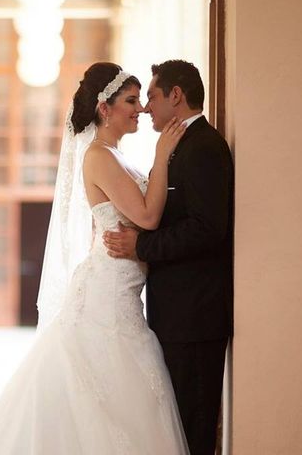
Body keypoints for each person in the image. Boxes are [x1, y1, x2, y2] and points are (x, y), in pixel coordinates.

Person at [0, 62, 189, 454]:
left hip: (122, 291)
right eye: (131, 101)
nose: (140, 109)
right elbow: (149, 216)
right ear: (105, 108)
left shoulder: (119, 157)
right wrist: (163, 153)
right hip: (108, 296)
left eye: (140, 100)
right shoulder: (99, 157)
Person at [103, 60, 234, 455]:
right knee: (174, 430)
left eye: (152, 97)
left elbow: (207, 229)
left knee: (192, 432)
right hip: (176, 316)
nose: (146, 107)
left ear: (176, 96)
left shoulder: (205, 148)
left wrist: (140, 246)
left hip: (195, 319)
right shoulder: (181, 147)